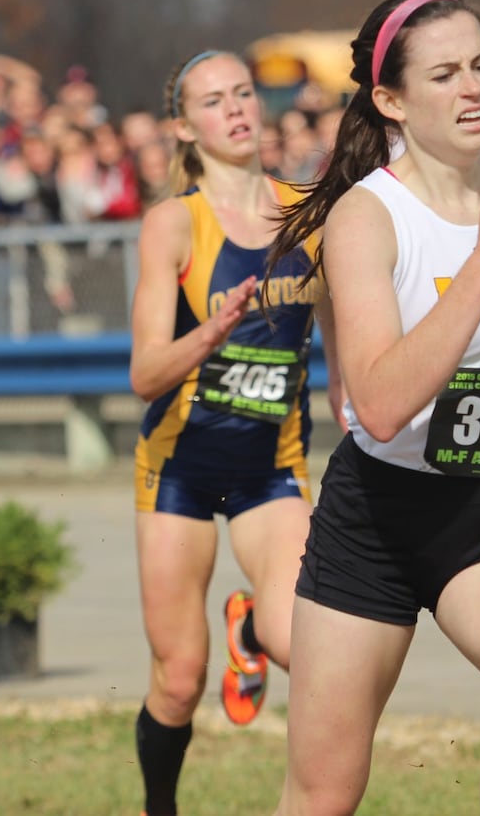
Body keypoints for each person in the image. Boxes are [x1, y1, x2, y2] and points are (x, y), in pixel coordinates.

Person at [264, 0, 480, 816]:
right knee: (325, 795)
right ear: (391, 100)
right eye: (444, 74)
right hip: (381, 518)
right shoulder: (367, 221)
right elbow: (377, 403)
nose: (474, 89)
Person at [127, 49, 339, 816]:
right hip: (179, 467)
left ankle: (250, 633)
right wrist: (207, 336)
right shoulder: (172, 225)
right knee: (179, 679)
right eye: (214, 102)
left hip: (270, 472)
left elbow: (339, 318)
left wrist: (349, 391)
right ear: (186, 126)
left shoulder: (310, 213)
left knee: (303, 648)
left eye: (244, 93)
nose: (237, 110)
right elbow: (145, 373)